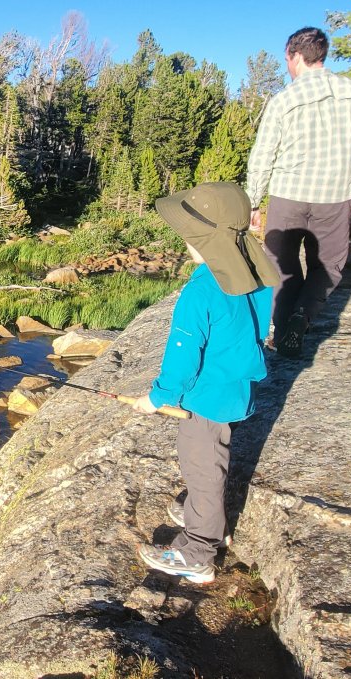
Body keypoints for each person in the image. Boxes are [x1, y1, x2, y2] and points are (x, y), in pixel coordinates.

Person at [134, 182, 277, 584]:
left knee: (202, 467)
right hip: (235, 389)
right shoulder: (256, 270)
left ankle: (198, 549)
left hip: (205, 398)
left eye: (188, 235)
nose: (183, 241)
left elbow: (183, 357)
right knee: (210, 460)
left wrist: (157, 397)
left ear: (204, 240)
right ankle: (204, 510)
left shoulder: (198, 292)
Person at [246, 27, 351, 358]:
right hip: (335, 196)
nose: (287, 67)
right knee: (328, 266)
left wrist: (252, 201)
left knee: (281, 265)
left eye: (286, 60)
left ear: (296, 56)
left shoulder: (284, 100)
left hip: (286, 196)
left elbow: (262, 155)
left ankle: (280, 334)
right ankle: (301, 316)